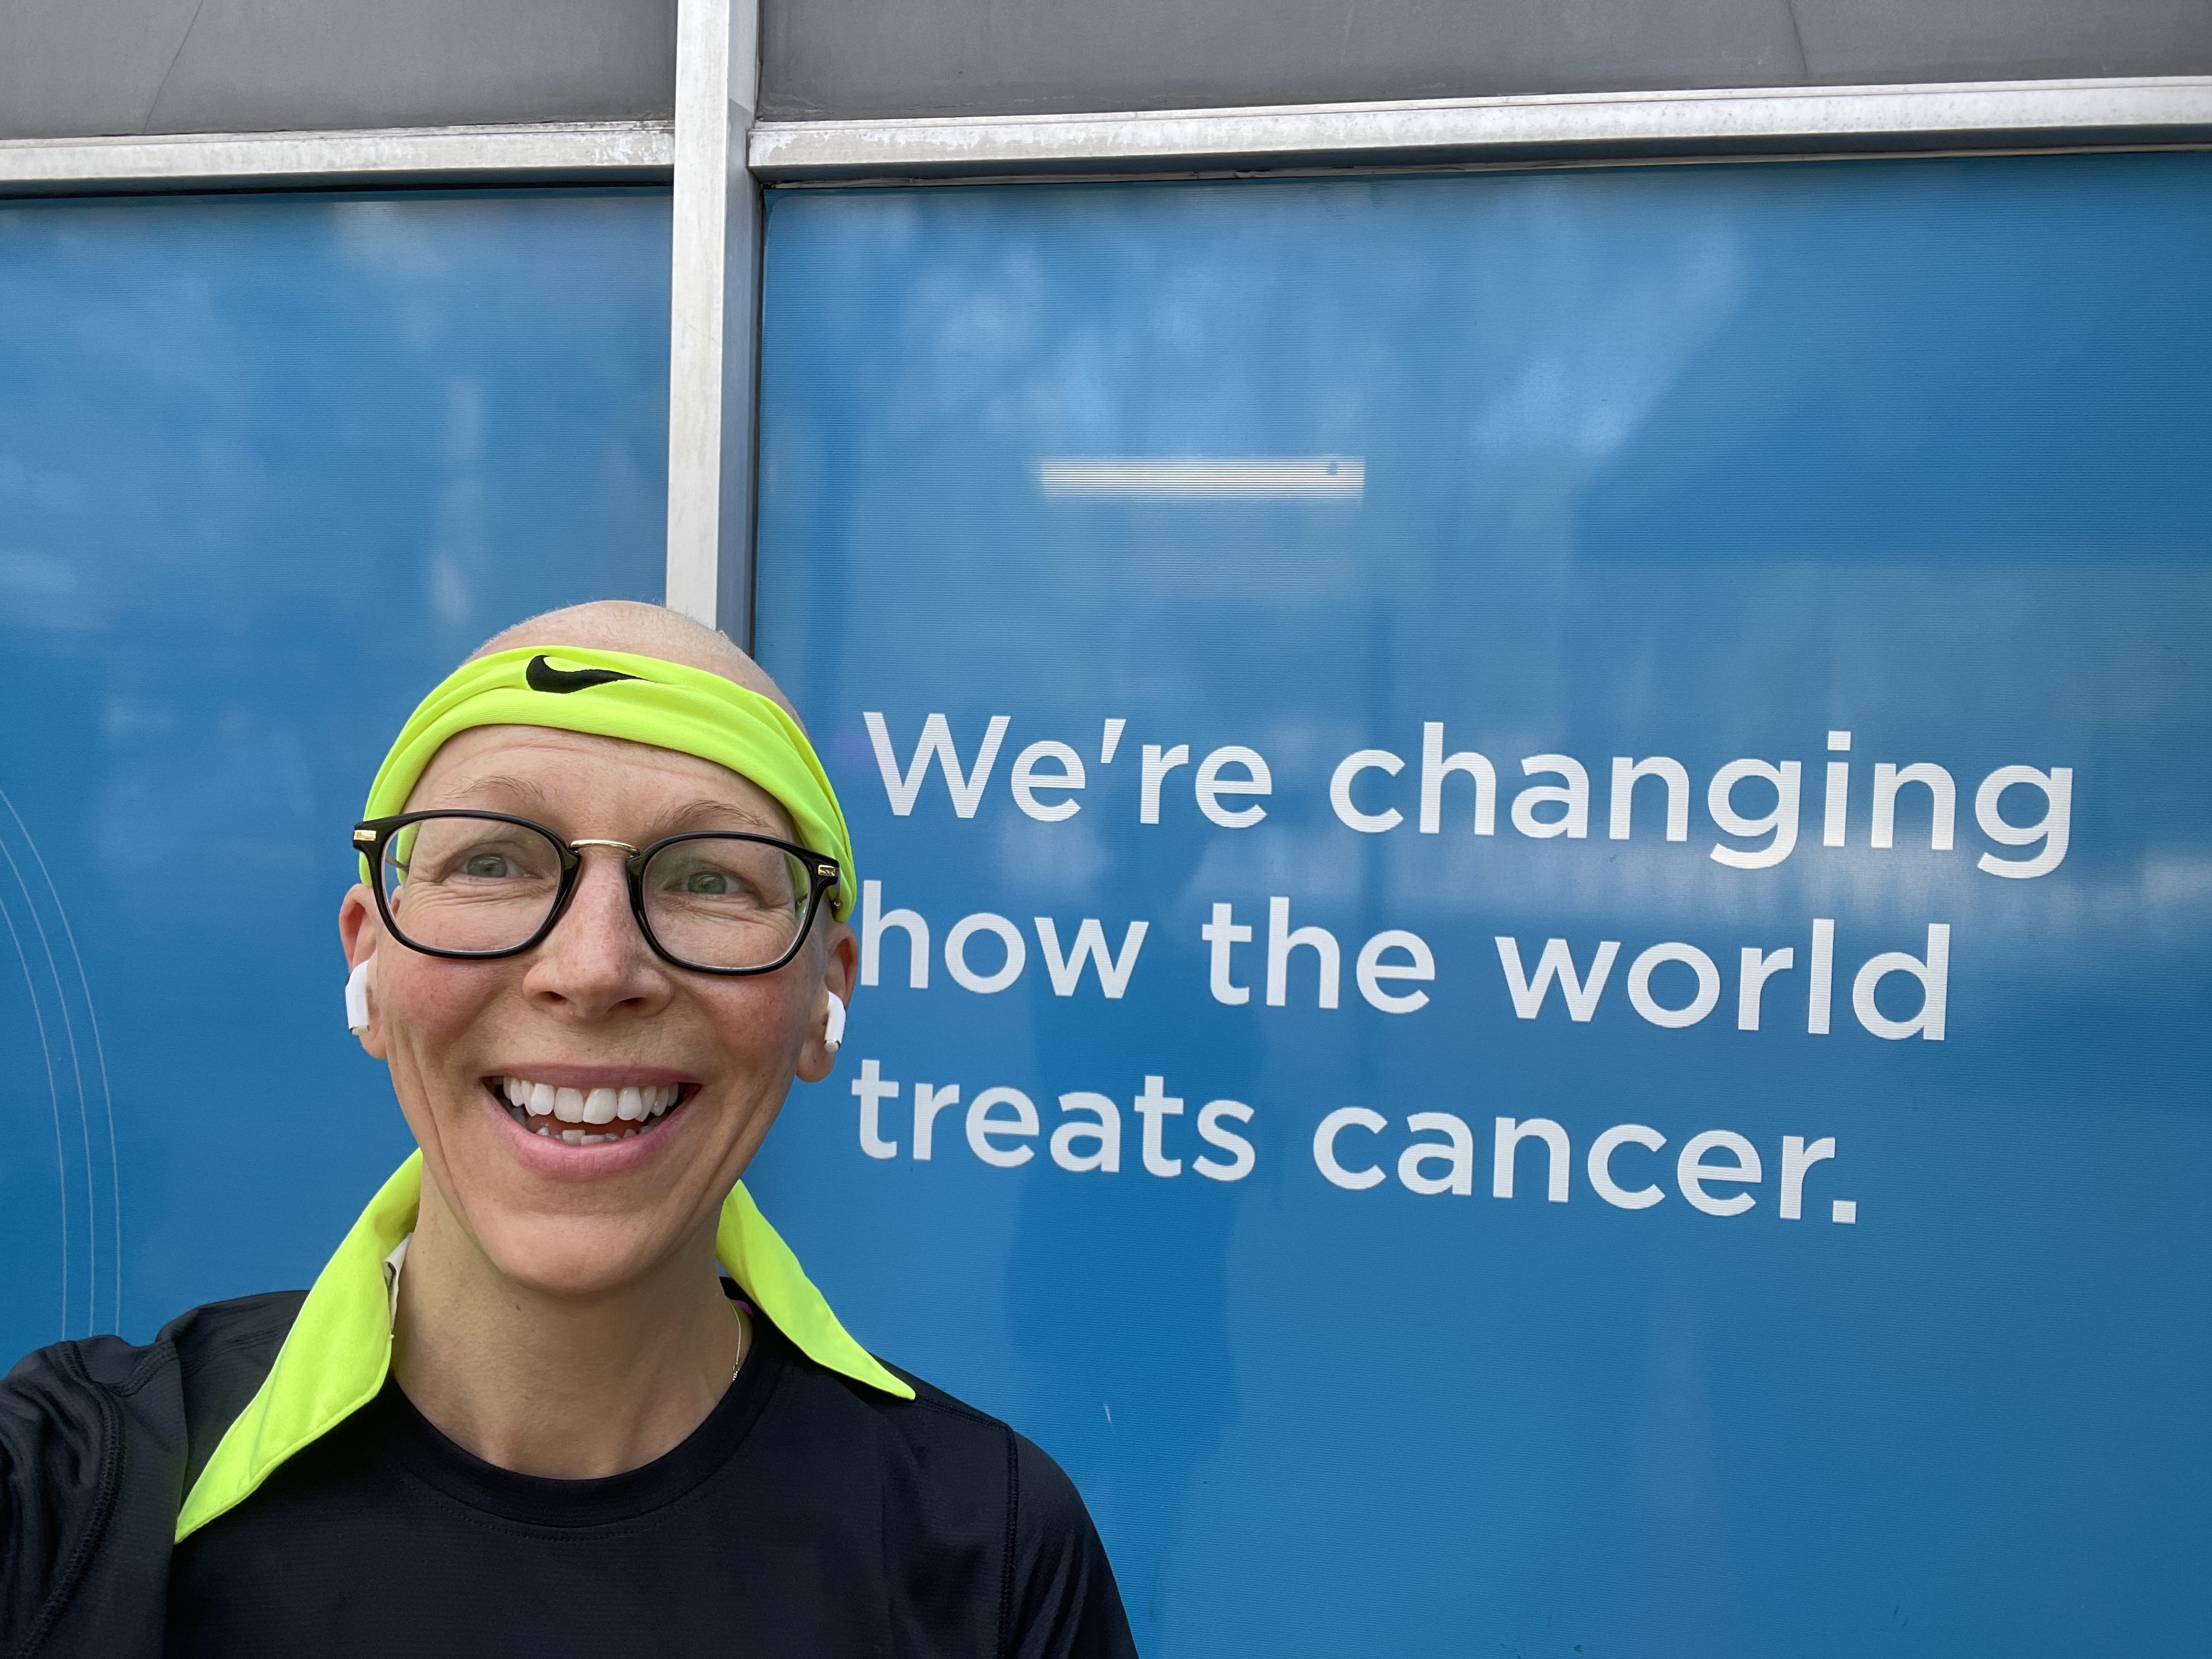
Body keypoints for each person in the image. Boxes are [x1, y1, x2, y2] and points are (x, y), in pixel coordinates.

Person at [0, 601, 1137, 1659]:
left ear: (823, 997)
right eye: (492, 859)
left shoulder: (990, 1555)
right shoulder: (70, 1489)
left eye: (710, 880)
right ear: (369, 960)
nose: (593, 970)